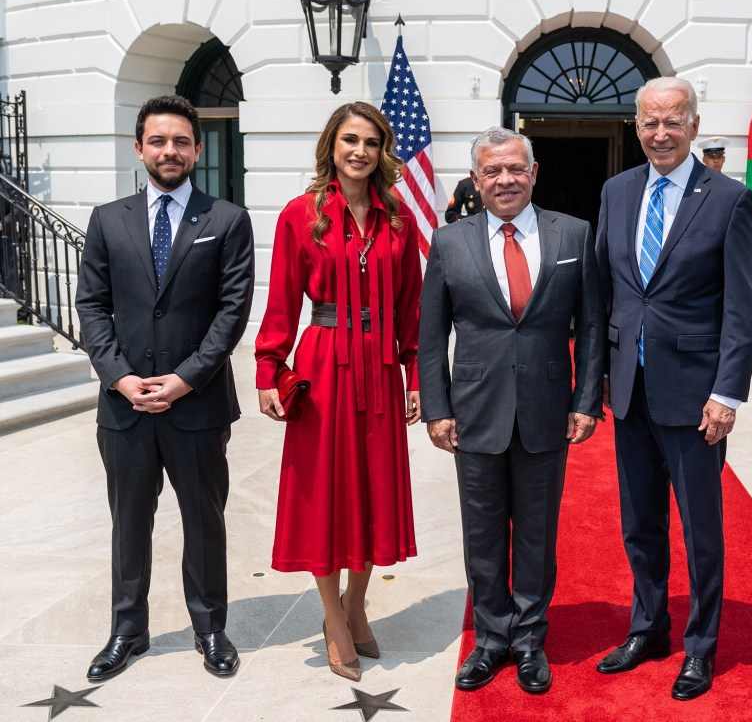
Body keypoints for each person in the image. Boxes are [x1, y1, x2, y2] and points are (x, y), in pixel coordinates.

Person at [75, 95, 255, 682]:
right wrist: (121, 377)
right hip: (123, 406)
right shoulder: (108, 219)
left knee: (204, 521)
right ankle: (128, 629)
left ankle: (209, 627)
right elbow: (92, 307)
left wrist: (182, 380)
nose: (170, 151)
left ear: (198, 150)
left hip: (197, 404)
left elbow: (232, 312)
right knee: (129, 522)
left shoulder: (226, 220)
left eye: (181, 141)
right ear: (139, 148)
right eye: (158, 141)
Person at [419, 126, 604, 695]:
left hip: (548, 410)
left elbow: (592, 324)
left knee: (536, 535)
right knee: (482, 534)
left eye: (515, 169)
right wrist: (436, 407)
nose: (505, 180)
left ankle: (528, 640)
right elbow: (431, 334)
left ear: (534, 172)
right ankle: (490, 639)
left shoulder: (573, 232)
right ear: (476, 180)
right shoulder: (450, 242)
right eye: (492, 171)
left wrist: (587, 400)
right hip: (474, 411)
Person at [595, 77, 752, 701]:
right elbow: (606, 291)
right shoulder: (616, 191)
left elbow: (742, 311)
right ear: (636, 127)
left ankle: (701, 647)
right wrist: (599, 380)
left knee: (700, 529)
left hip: (695, 399)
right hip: (630, 389)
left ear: (693, 124)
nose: (660, 133)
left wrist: (728, 393)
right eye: (649, 122)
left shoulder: (729, 199)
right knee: (639, 523)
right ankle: (649, 627)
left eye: (672, 121)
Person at [254, 102, 422, 684]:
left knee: (372, 491)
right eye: (350, 140)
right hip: (323, 365)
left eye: (371, 142)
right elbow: (280, 302)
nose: (360, 151)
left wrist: (416, 375)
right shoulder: (301, 215)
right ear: (332, 145)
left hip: (379, 366)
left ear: (382, 152)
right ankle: (332, 617)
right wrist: (269, 369)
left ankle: (356, 604)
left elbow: (411, 308)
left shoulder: (398, 219)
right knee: (325, 496)